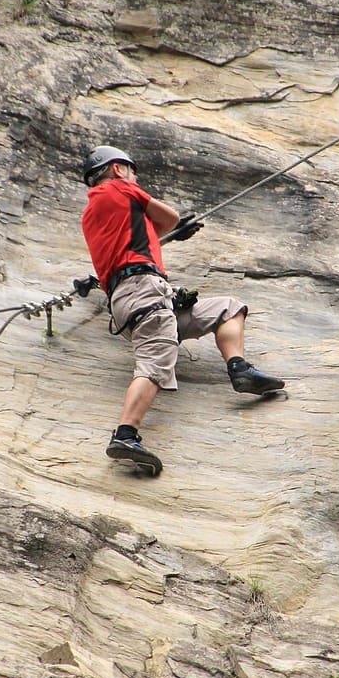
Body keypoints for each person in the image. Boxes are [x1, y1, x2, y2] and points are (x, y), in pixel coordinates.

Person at [81, 144, 285, 476]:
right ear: (117, 169)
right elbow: (169, 218)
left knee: (228, 309)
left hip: (142, 298)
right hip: (143, 292)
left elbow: (148, 235)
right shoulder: (118, 186)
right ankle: (125, 434)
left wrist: (169, 235)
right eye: (132, 171)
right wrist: (171, 228)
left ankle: (240, 369)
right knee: (156, 361)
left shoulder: (93, 213)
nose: (135, 177)